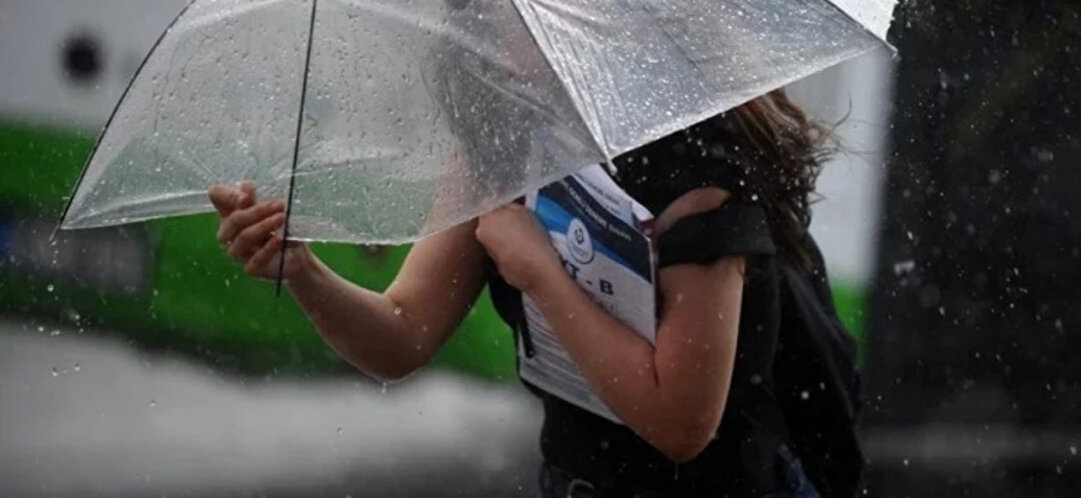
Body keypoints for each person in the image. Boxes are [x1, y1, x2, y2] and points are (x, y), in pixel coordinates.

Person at [208, 89, 862, 498]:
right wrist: (303, 272)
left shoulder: (697, 175)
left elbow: (680, 424)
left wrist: (540, 273)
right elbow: (401, 332)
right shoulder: (503, 144)